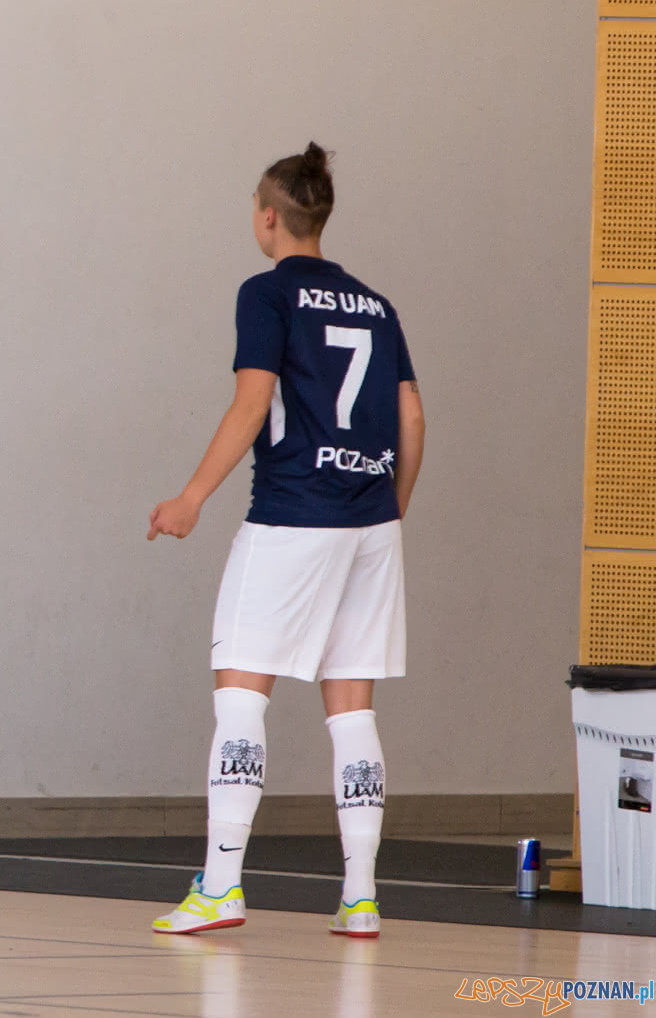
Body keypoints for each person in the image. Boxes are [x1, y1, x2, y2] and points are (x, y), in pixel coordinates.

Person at [146, 144, 426, 938]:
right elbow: (413, 420)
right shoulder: (377, 305)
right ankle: (362, 897)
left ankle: (223, 885)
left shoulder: (265, 294)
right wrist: (386, 511)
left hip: (291, 518)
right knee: (353, 711)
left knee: (241, 697)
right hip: (371, 524)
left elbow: (253, 399)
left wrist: (191, 496)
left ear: (270, 216)